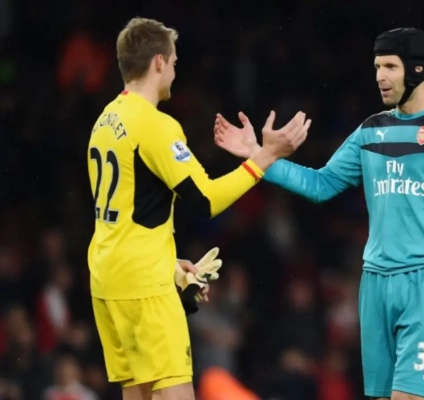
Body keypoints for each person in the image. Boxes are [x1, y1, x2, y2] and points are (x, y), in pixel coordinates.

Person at [214, 28, 424, 400]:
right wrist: (259, 156)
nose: (379, 77)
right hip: (375, 281)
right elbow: (321, 184)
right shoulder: (371, 130)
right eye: (376, 67)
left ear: (418, 70)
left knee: (409, 395)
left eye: (390, 66)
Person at [87, 17, 310, 400]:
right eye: (174, 62)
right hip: (144, 288)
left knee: (137, 394)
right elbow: (206, 200)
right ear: (159, 62)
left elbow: (127, 211)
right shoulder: (155, 125)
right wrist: (265, 157)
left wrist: (169, 265)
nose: (175, 71)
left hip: (108, 281)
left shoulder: (105, 120)